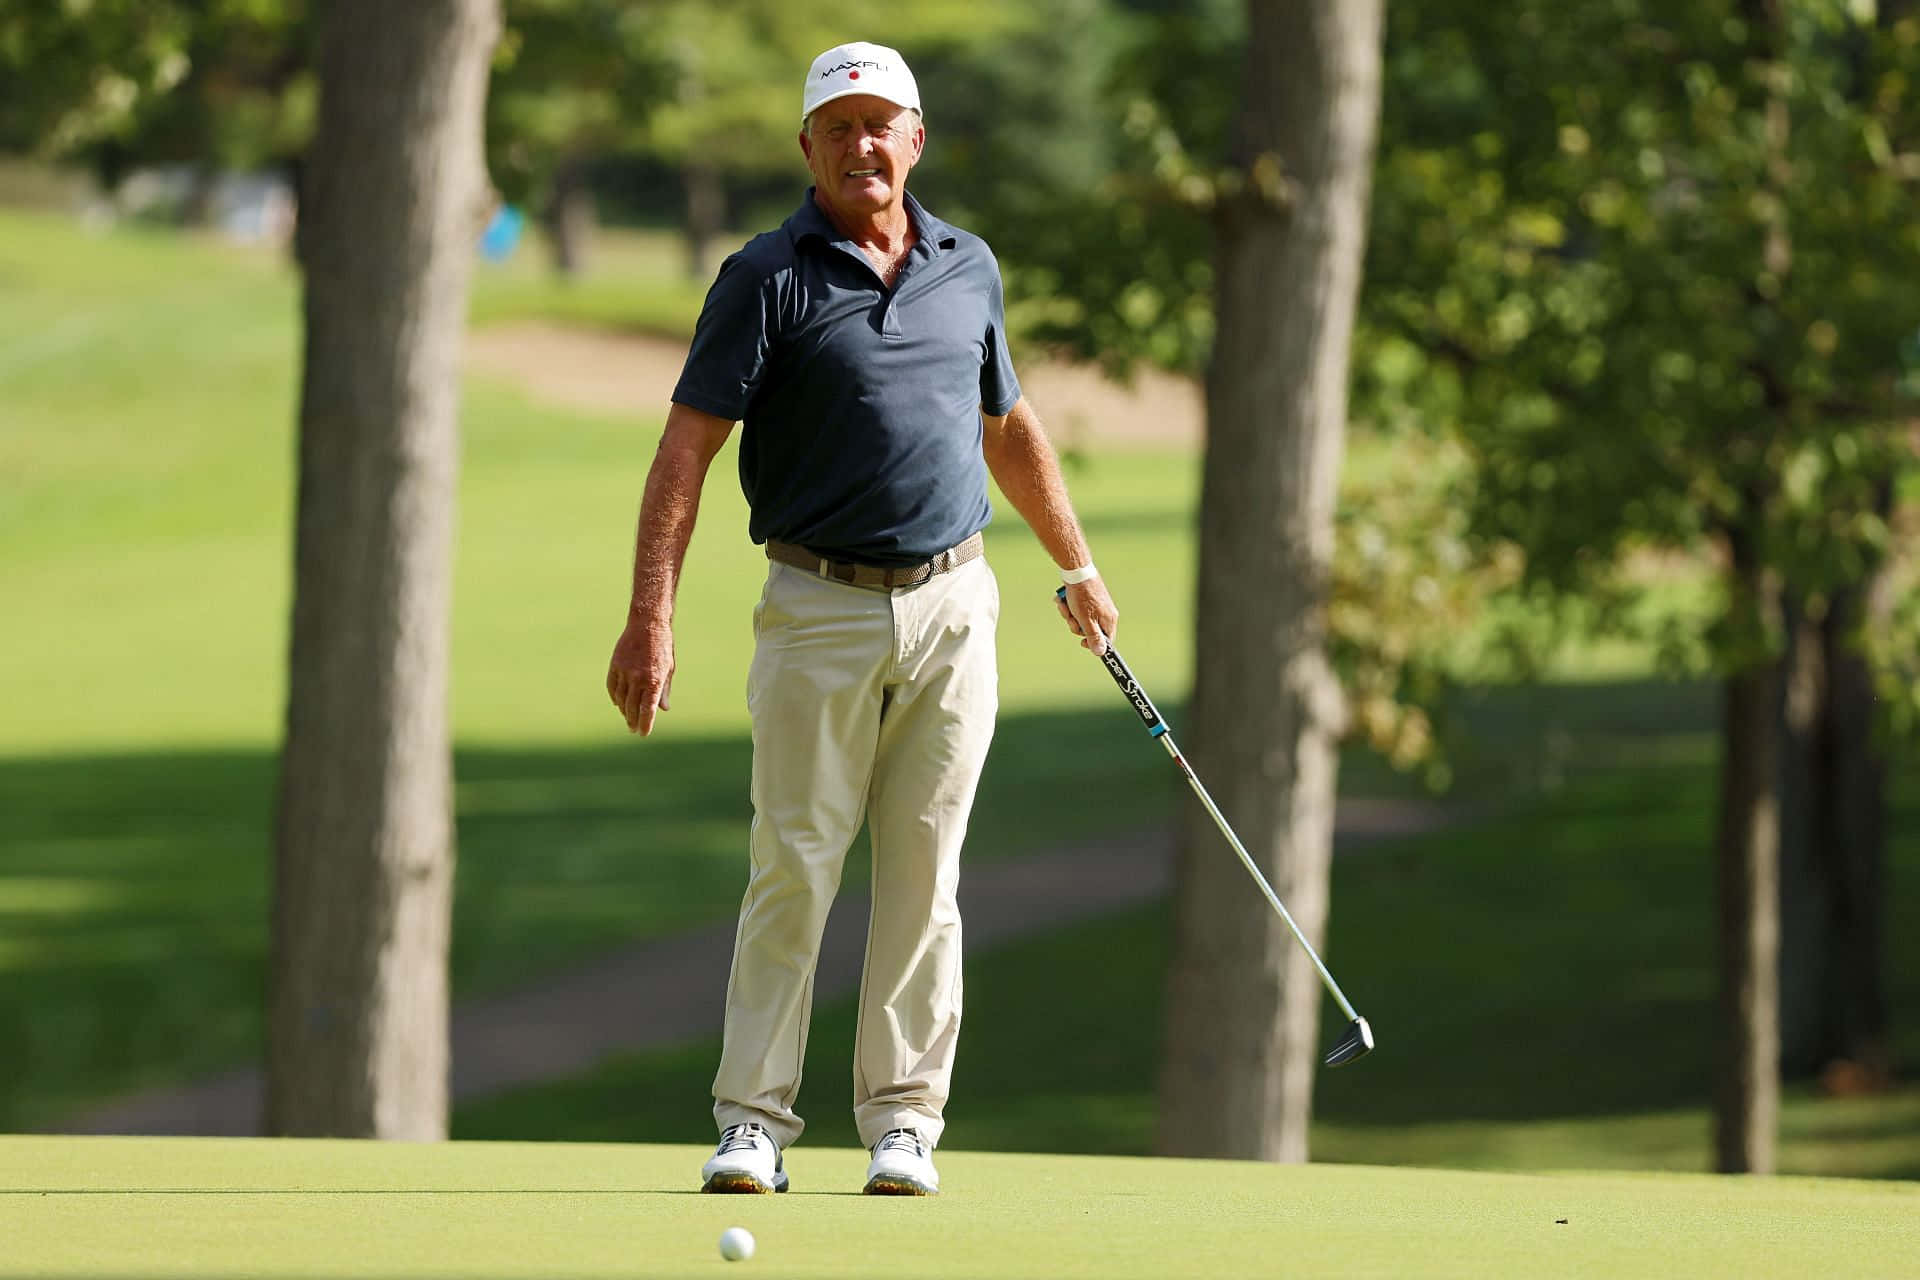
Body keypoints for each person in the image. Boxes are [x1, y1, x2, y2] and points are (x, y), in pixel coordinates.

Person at [604, 40, 1119, 1197]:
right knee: (793, 865)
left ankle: (903, 1121)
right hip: (816, 603)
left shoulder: (965, 266)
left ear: (916, 138)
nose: (862, 143)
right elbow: (686, 448)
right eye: (839, 127)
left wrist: (1077, 562)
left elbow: (1010, 424)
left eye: (882, 122)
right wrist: (652, 617)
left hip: (955, 604)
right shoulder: (764, 275)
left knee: (925, 875)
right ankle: (752, 1121)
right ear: (807, 148)